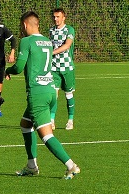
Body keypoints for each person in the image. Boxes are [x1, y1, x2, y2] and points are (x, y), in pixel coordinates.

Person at [6, 10, 80, 179]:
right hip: (50, 90)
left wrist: (7, 70)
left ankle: (71, 165)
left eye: (21, 26)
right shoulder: (47, 41)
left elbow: (19, 67)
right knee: (25, 124)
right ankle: (32, 166)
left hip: (37, 93)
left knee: (46, 134)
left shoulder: (26, 41)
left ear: (25, 25)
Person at [49, 7, 76, 131]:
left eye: (58, 17)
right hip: (54, 67)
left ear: (63, 17)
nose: (56, 19)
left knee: (68, 94)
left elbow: (67, 45)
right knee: (54, 94)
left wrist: (52, 53)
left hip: (67, 67)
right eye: (54, 17)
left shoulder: (69, 30)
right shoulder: (51, 31)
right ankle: (52, 120)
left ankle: (70, 120)